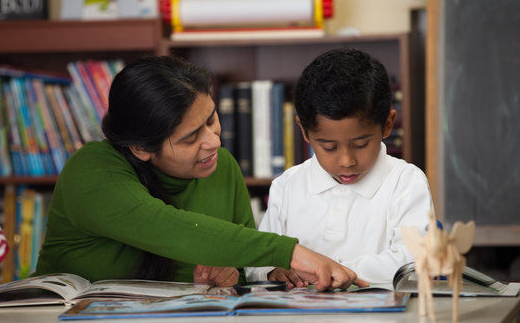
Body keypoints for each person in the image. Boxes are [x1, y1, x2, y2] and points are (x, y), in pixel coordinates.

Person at [33, 55, 366, 291]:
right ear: (141, 148)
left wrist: (231, 277)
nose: (213, 141)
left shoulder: (223, 167)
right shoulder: (91, 170)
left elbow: (237, 265)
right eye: (190, 138)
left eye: (210, 119)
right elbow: (170, 229)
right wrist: (294, 253)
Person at [246, 48, 434, 286]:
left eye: (360, 144)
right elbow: (258, 259)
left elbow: (414, 262)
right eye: (328, 147)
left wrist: (327, 270)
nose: (346, 161)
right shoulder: (287, 186)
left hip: (382, 321)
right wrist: (271, 271)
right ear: (304, 131)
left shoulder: (406, 183)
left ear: (387, 125)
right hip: (303, 320)